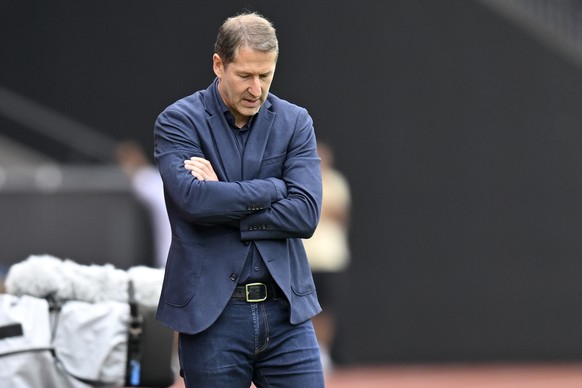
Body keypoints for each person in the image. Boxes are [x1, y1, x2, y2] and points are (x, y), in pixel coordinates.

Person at [153, 12, 324, 387]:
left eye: (266, 75)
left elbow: (306, 215)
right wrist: (275, 187)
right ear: (218, 64)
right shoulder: (179, 121)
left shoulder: (295, 121)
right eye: (245, 75)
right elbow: (195, 202)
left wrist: (223, 191)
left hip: (286, 316)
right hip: (212, 317)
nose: (256, 89)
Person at [302, 142, 351, 373]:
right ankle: (305, 350)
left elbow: (339, 212)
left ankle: (323, 352)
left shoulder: (335, 182)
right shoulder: (300, 179)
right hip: (304, 257)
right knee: (303, 307)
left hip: (329, 258)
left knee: (325, 307)